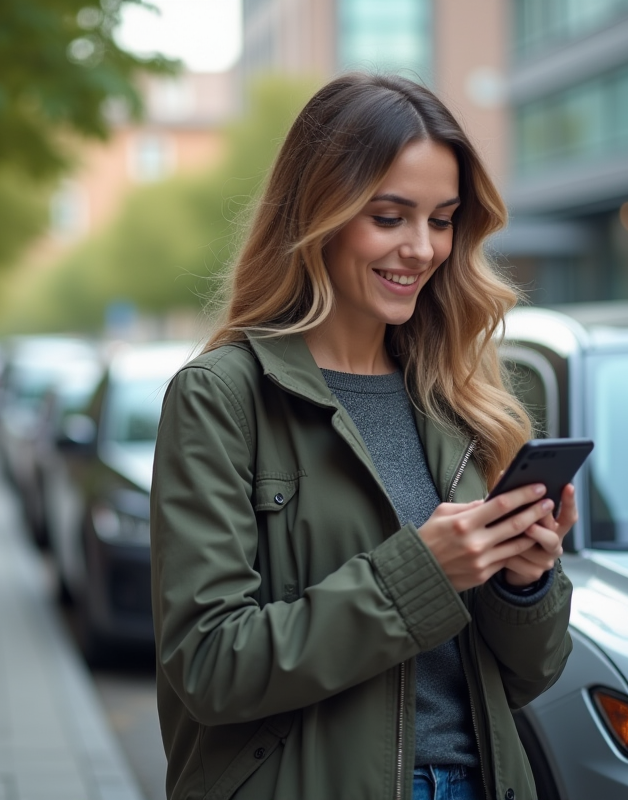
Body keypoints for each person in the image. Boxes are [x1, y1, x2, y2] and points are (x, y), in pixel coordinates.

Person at [149, 73, 577, 800]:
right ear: (318, 212)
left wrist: (523, 584)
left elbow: (527, 679)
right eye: (389, 216)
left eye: (441, 220)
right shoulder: (222, 397)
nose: (421, 248)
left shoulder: (460, 399)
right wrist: (423, 572)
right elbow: (209, 667)